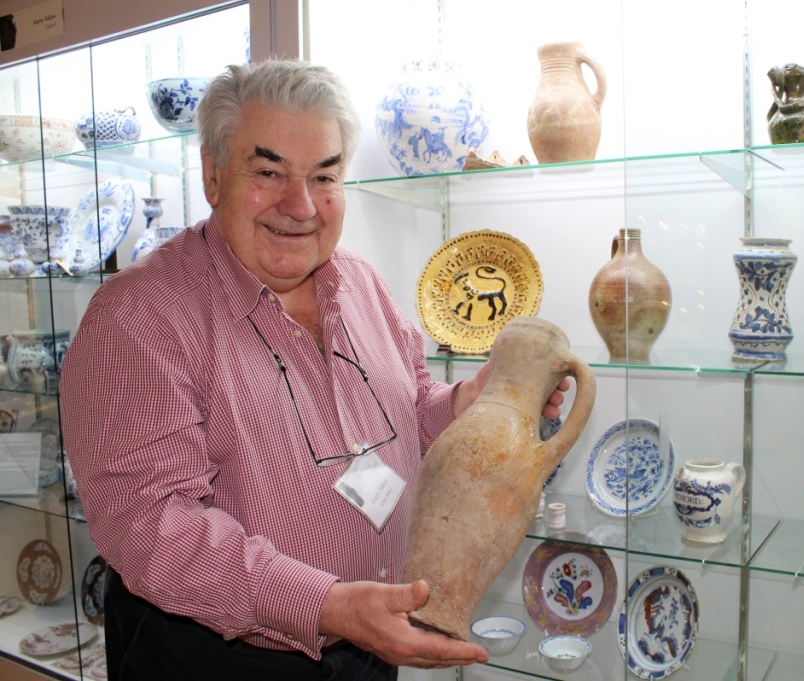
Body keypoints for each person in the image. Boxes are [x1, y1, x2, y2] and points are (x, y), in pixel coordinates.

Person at [60, 59, 567, 681]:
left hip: (365, 642)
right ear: (213, 175)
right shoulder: (137, 317)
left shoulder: (359, 282)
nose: (300, 205)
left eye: (324, 175)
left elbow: (408, 411)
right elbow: (152, 527)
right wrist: (324, 605)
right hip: (217, 659)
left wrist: (467, 404)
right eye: (269, 171)